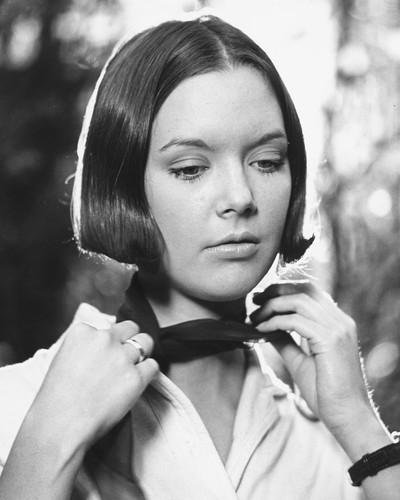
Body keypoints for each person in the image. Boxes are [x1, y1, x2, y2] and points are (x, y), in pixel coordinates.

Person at [0, 15, 399, 500]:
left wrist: (358, 424)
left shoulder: (336, 457)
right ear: (124, 187)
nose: (240, 197)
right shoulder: (16, 408)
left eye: (267, 162)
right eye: (191, 168)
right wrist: (49, 445)